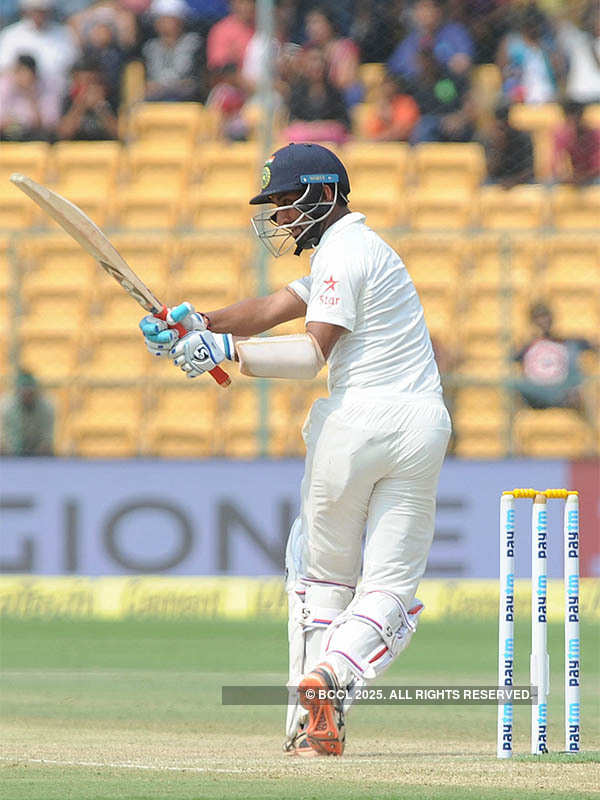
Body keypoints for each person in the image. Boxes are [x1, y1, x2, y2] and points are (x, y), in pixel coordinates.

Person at [138, 142, 452, 756]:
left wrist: (228, 355)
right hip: (423, 426)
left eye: (285, 202)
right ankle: (330, 683)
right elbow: (271, 309)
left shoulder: (343, 254)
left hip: (356, 425)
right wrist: (199, 323)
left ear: (325, 194)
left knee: (322, 578)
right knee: (390, 588)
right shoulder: (360, 251)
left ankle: (304, 713)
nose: (279, 218)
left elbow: (311, 355)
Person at [511, 301, 597, 425]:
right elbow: (508, 360)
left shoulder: (566, 341)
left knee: (572, 351)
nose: (542, 322)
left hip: (563, 390)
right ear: (531, 322)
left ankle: (592, 433)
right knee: (510, 384)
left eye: (545, 317)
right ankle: (514, 435)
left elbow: (592, 345)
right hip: (536, 393)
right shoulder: (527, 346)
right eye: (538, 318)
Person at [0, 0, 79, 95]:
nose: (38, 15)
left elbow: (73, 66)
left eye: (42, 10)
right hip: (20, 95)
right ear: (26, 11)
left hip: (56, 92)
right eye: (35, 10)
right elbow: (5, 68)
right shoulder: (11, 34)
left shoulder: (64, 34)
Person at [388, 0, 474, 81]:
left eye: (431, 7)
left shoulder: (454, 32)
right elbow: (395, 69)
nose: (427, 12)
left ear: (439, 11)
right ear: (415, 13)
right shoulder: (410, 40)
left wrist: (439, 63)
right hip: (416, 87)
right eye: (422, 8)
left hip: (447, 84)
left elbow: (463, 63)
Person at [283, 47, 350, 145]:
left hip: (329, 137)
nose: (316, 65)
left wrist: (323, 126)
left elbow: (344, 122)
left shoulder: (335, 92)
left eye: (319, 61)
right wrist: (311, 127)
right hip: (304, 137)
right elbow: (292, 121)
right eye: (312, 60)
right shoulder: (297, 92)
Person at [142, 0, 205, 102]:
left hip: (187, 102)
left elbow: (194, 83)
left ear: (180, 21)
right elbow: (147, 86)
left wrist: (165, 87)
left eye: (169, 19)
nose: (165, 24)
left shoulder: (195, 44)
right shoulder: (149, 48)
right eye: (161, 20)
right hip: (155, 103)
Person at [0, 53, 61, 141]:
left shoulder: (46, 88)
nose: (21, 77)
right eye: (18, 72)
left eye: (25, 72)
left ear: (34, 74)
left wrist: (31, 96)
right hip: (6, 136)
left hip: (33, 138)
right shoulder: (5, 86)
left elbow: (48, 126)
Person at [57, 56, 119, 140]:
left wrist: (101, 107)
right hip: (76, 150)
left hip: (105, 150)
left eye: (91, 82)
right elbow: (63, 134)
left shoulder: (111, 98)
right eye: (82, 82)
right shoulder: (68, 100)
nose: (87, 87)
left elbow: (118, 134)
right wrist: (80, 106)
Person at [0, 370, 54, 456]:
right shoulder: (6, 407)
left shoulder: (47, 407)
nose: (27, 395)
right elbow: (4, 440)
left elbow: (47, 439)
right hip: (11, 455)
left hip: (39, 456)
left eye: (30, 392)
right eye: (24, 391)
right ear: (17, 392)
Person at [482, 103, 534, 188]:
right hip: (497, 181)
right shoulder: (489, 139)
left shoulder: (523, 138)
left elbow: (530, 171)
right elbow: (489, 172)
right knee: (484, 186)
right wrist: (498, 148)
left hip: (522, 181)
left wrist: (513, 182)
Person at [552, 101, 600, 186]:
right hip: (575, 176)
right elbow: (556, 163)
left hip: (593, 177)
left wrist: (583, 177)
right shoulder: (562, 134)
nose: (574, 123)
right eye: (570, 119)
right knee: (549, 185)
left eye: (576, 118)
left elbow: (597, 166)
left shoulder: (595, 135)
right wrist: (564, 176)